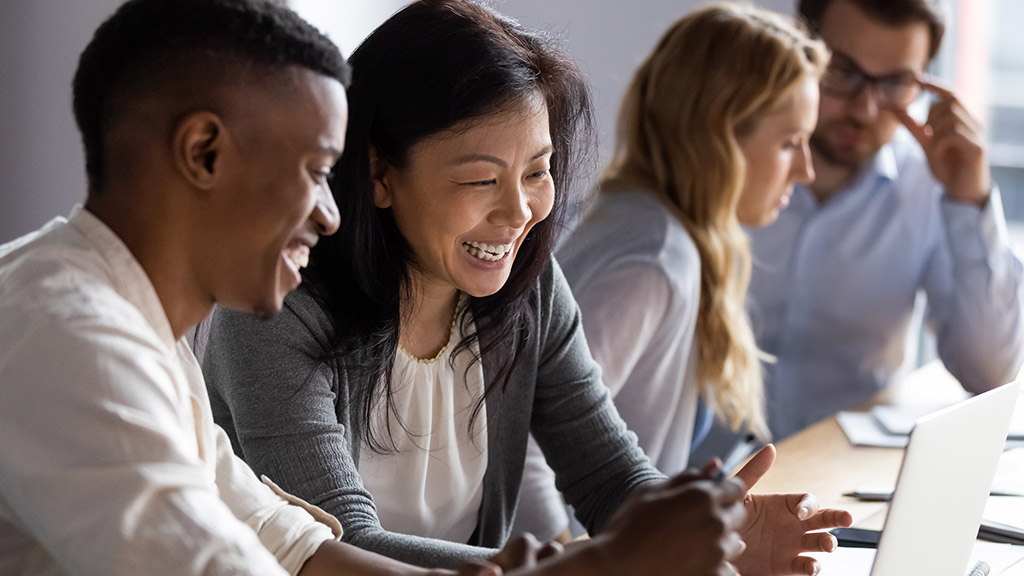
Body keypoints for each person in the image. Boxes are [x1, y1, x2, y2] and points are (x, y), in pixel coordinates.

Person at [202, 1, 852, 575]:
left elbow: (608, 477)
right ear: (378, 172)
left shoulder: (527, 290)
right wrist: (606, 565)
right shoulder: (276, 309)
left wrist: (716, 541)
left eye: (537, 172)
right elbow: (345, 550)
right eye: (483, 180)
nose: (518, 213)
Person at [0, 1, 556, 575]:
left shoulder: (135, 327)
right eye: (317, 173)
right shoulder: (70, 337)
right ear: (203, 152)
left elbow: (286, 540)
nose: (332, 215)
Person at [514, 2, 829, 543]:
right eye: (788, 143)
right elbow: (525, 456)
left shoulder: (661, 226)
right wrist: (571, 566)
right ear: (720, 136)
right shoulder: (653, 262)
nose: (806, 169)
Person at [744, 0, 1024, 439]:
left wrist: (969, 201)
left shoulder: (930, 186)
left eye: (895, 83)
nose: (866, 109)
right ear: (800, 47)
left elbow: (990, 374)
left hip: (846, 476)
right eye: (843, 71)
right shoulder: (725, 163)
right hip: (708, 475)